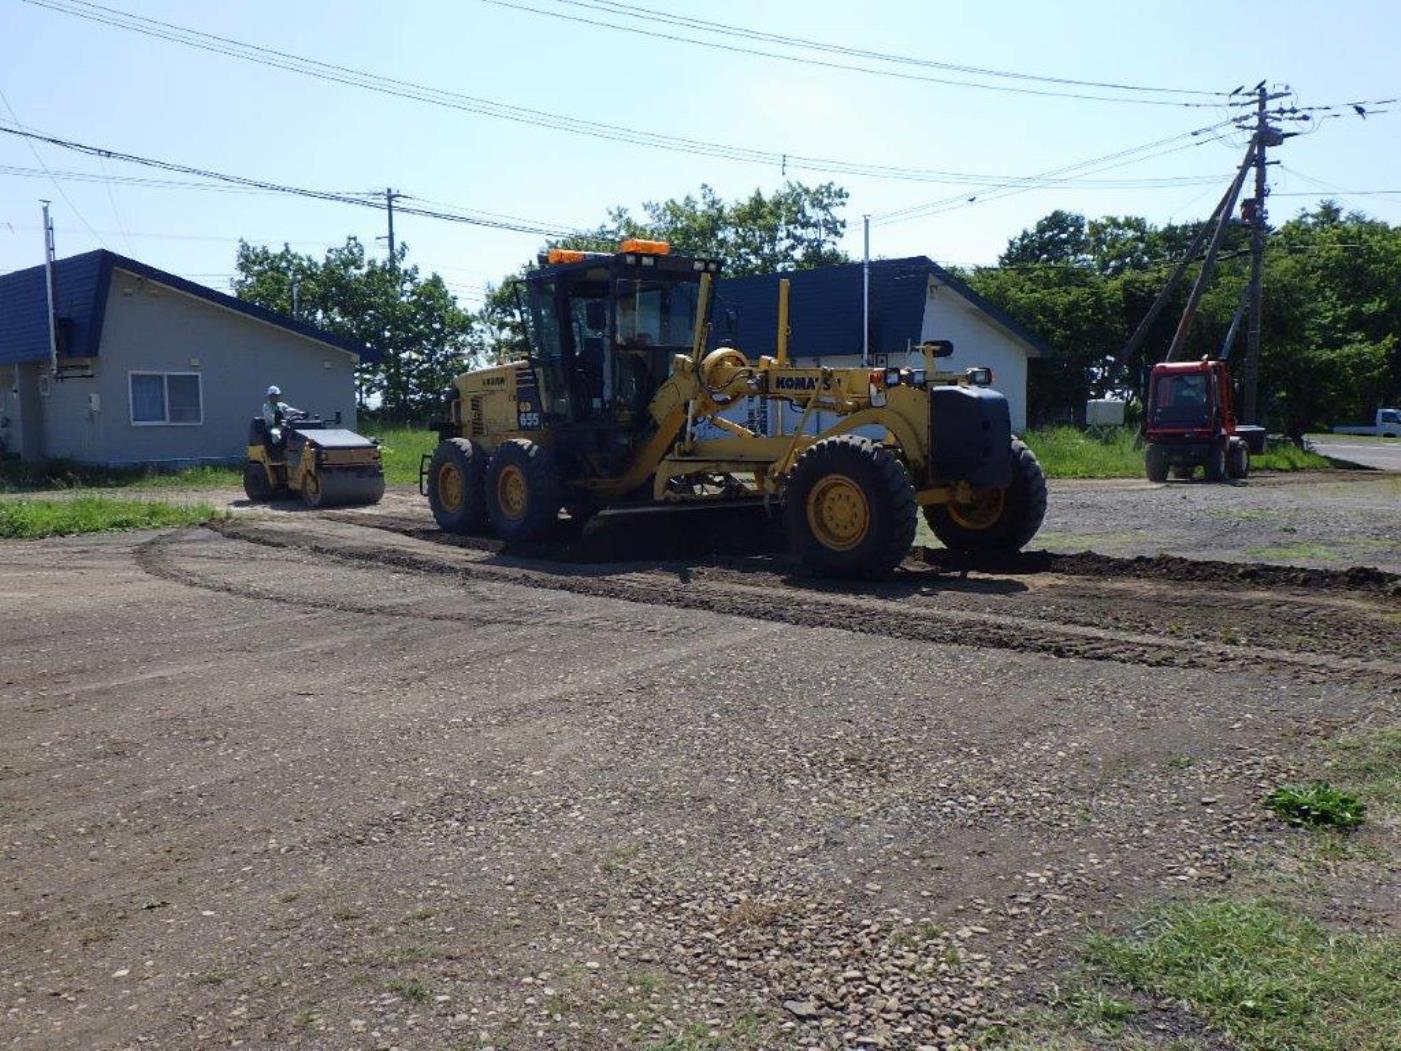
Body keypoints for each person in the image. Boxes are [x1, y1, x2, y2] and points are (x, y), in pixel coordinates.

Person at [261, 385, 303, 455]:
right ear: (270, 396)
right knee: (276, 435)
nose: (277, 397)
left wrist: (300, 412)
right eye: (275, 395)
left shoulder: (281, 405)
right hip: (271, 427)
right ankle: (277, 453)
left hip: (283, 425)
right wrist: (281, 420)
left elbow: (289, 409)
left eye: (278, 395)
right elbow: (271, 418)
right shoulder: (266, 407)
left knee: (293, 433)